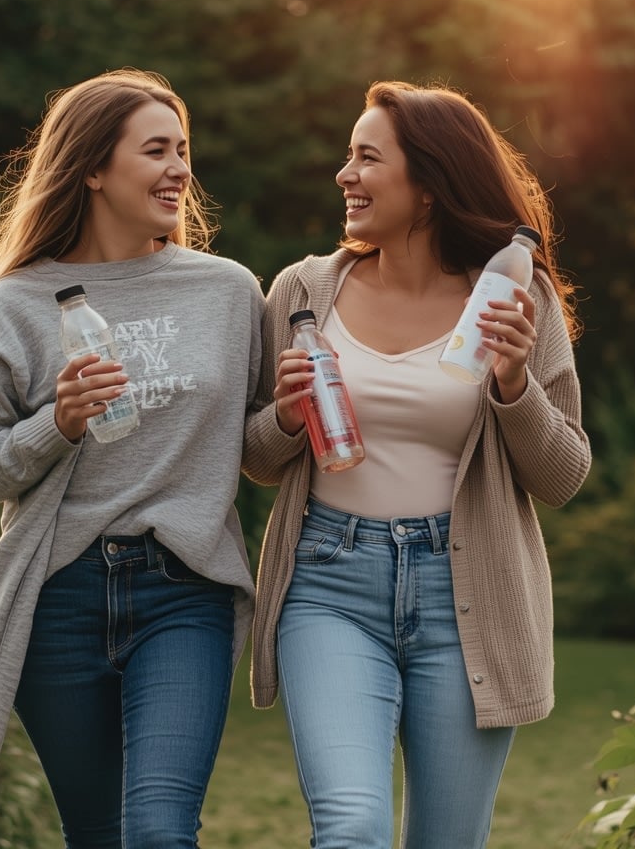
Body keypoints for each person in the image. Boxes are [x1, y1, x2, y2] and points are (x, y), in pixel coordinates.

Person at [242, 80, 592, 849]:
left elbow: (564, 474)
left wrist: (512, 382)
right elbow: (259, 461)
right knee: (351, 828)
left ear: (428, 186)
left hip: (468, 597)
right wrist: (283, 418)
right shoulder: (302, 291)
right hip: (329, 583)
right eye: (347, 156)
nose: (345, 174)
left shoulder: (514, 298)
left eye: (367, 158)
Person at [0, 67, 265, 847]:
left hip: (183, 590)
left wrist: (292, 416)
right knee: (95, 833)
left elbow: (260, 445)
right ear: (92, 168)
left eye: (183, 149)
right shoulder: (15, 302)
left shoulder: (226, 291)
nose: (181, 170)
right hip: (57, 597)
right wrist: (56, 423)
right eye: (156, 150)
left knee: (159, 830)